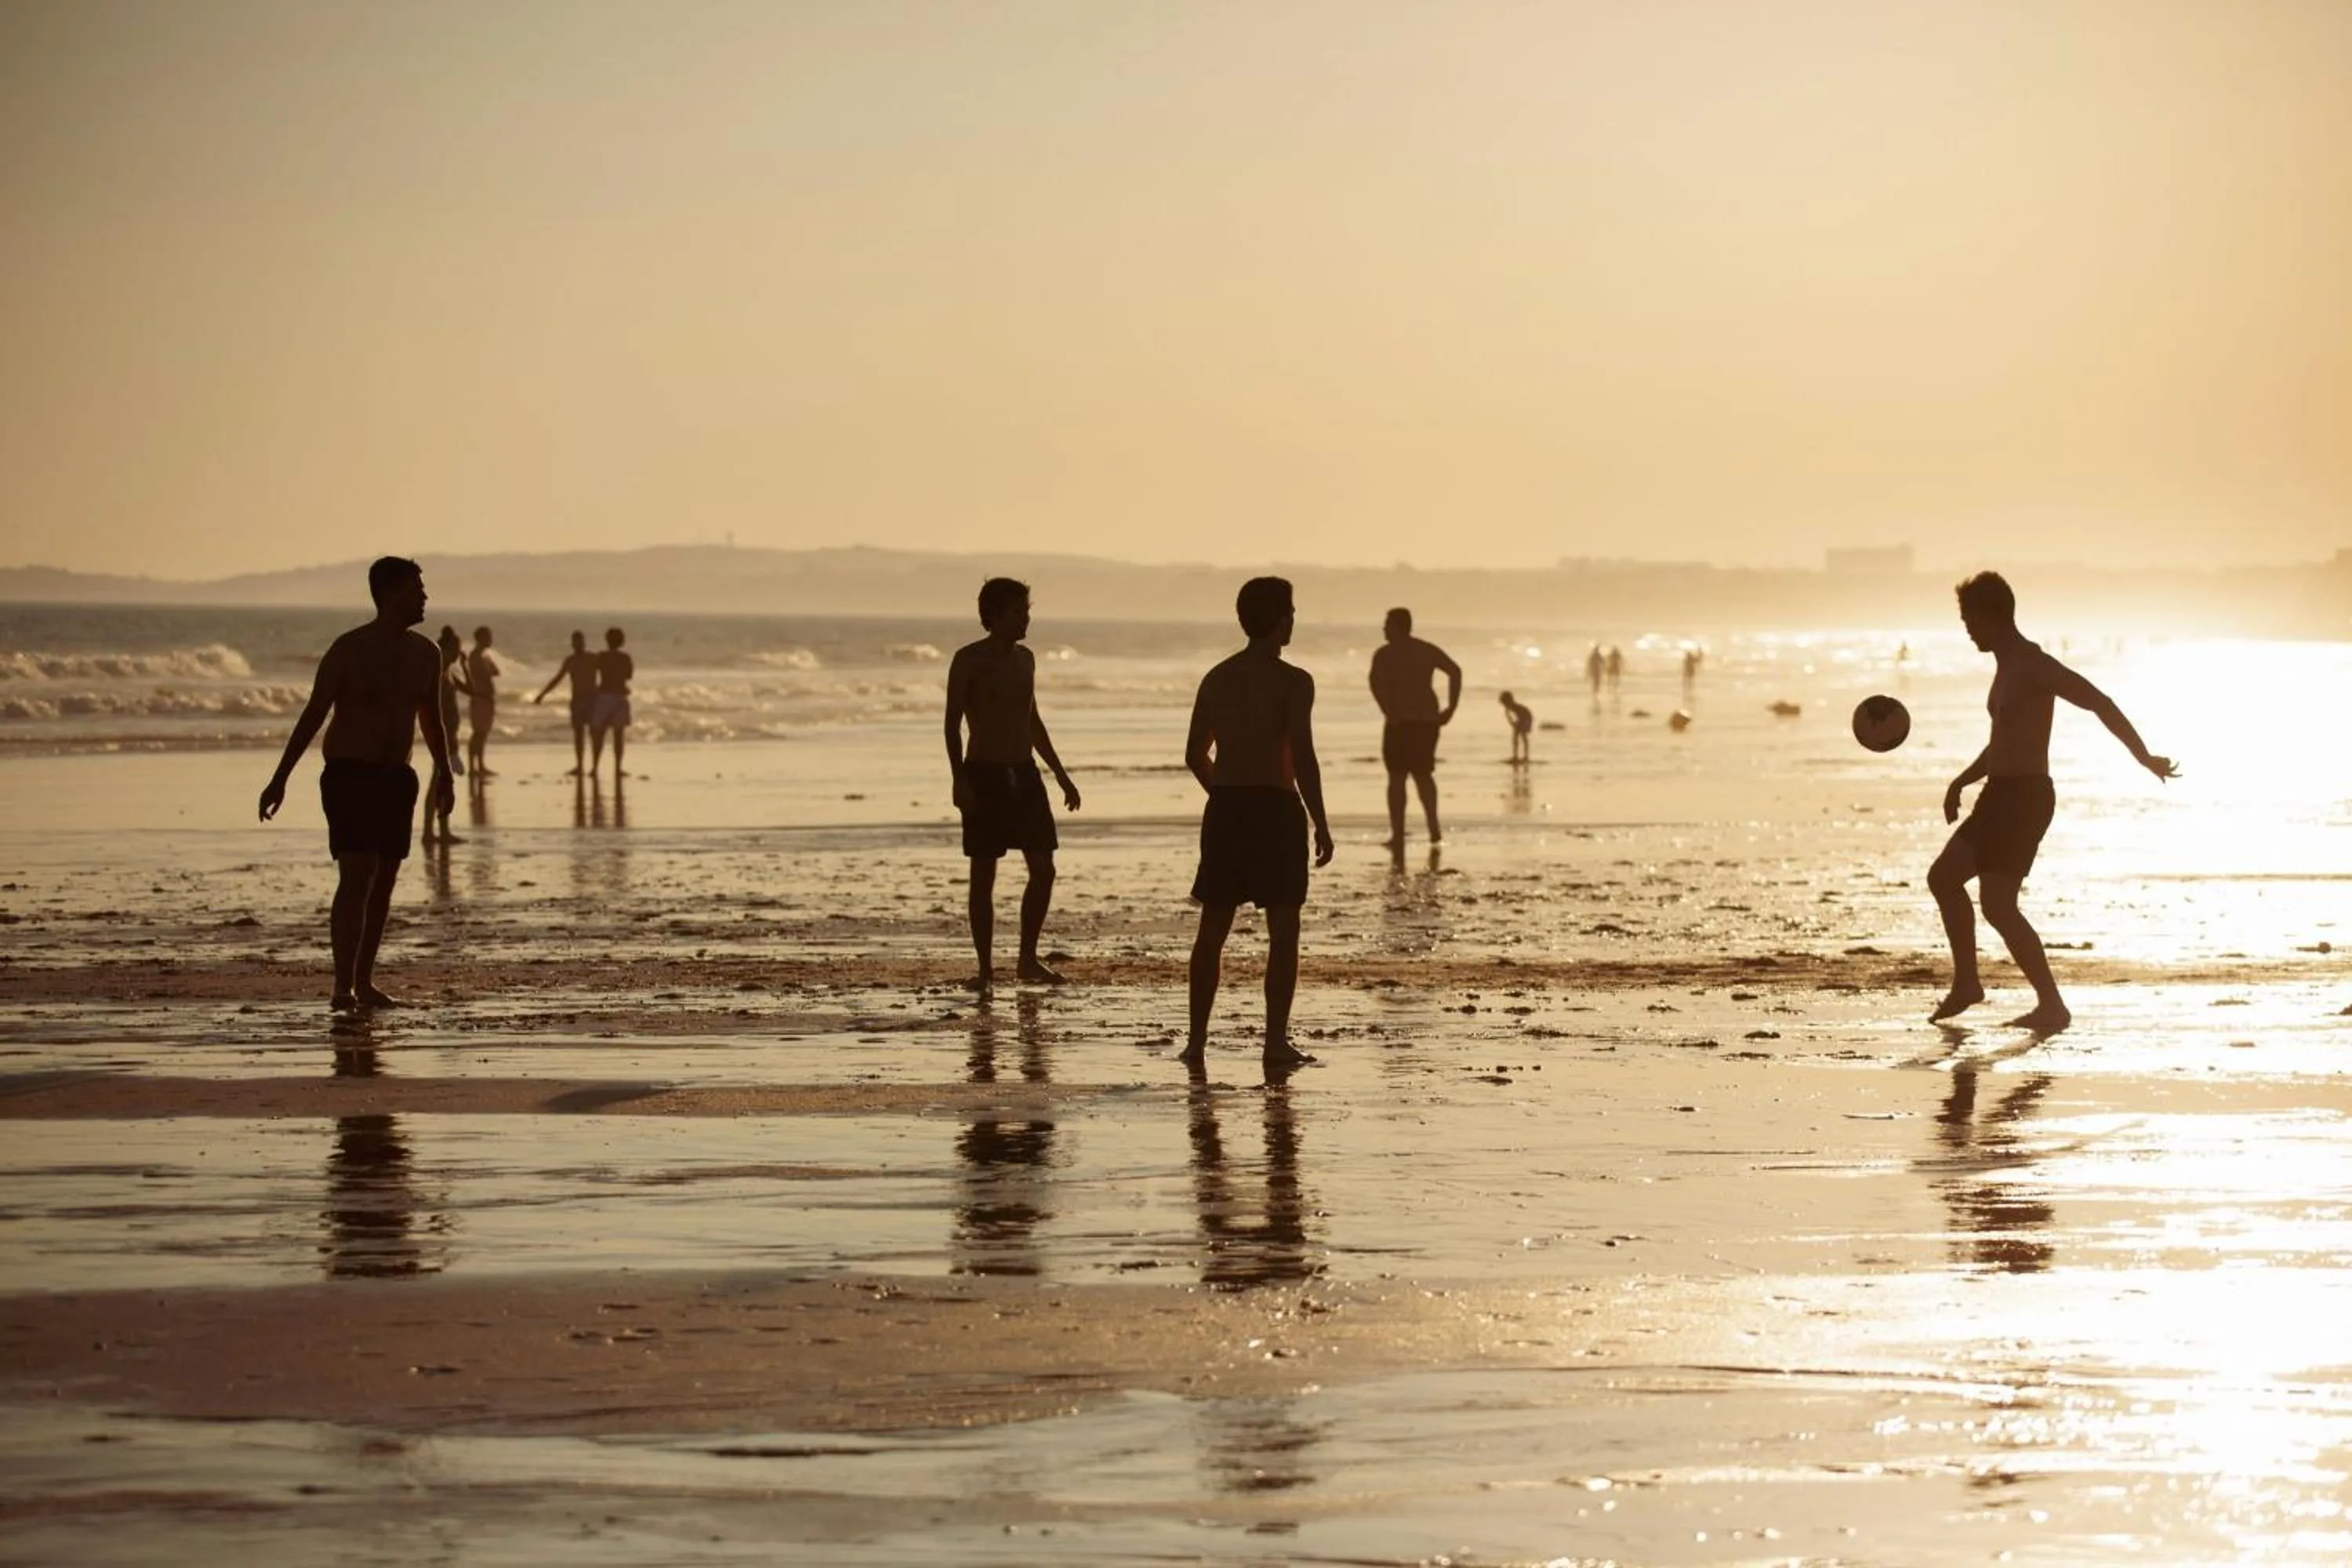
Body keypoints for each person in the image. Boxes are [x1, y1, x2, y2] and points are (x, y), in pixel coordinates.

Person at [1928, 572, 2177, 1032]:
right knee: (1944, 878)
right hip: (1999, 794)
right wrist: (1960, 782)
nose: (1966, 628)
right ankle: (1969, 983)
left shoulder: (2031, 664)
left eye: (1969, 618)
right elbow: (2002, 744)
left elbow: (2098, 701)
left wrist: (2142, 756)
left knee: (1998, 906)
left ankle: (2050, 1006)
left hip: (2024, 798)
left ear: (1991, 616)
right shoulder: (2005, 668)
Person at [257, 557, 456, 1011]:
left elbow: (432, 720)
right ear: (388, 595)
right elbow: (314, 714)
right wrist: (279, 778)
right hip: (350, 774)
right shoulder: (349, 649)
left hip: (397, 777)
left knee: (384, 879)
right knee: (357, 873)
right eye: (416, 589)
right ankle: (342, 986)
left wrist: (444, 773)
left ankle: (364, 982)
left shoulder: (428, 653)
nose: (425, 597)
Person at [1182, 576, 1334, 1073]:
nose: (1294, 620)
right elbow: (1304, 758)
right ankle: (1274, 1041)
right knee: (1284, 930)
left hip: (1226, 808)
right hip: (1275, 808)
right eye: (1290, 611)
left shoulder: (1217, 677)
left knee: (1214, 928)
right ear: (1278, 618)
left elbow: (1194, 754)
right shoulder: (1294, 681)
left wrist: (1225, 793)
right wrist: (1320, 821)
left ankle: (1197, 1042)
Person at [944, 579, 1081, 991]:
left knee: (1044, 869)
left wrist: (1060, 773)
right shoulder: (967, 660)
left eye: (1027, 610)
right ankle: (986, 971)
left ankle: (1026, 960)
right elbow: (951, 724)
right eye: (1019, 612)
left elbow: (1032, 720)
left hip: (1024, 774)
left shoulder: (1027, 660)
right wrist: (959, 779)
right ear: (995, 616)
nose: (1027, 619)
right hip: (983, 774)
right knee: (983, 874)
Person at [1367, 607, 1461, 848]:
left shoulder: (1386, 654)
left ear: (1397, 626)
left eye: (1387, 624)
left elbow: (1375, 684)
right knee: (1423, 775)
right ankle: (1433, 829)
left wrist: (1387, 710)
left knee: (1398, 777)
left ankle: (1399, 834)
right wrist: (1450, 708)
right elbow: (1454, 671)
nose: (1384, 629)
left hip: (1402, 722)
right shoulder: (1425, 650)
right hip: (1426, 721)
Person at [423, 626, 466, 848]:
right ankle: (433, 831)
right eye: (455, 650)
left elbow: (472, 690)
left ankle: (438, 830)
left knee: (441, 783)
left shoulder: (450, 673)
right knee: (439, 783)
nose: (458, 654)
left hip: (449, 735)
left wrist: (465, 665)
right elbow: (432, 708)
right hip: (443, 735)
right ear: (444, 649)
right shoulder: (439, 674)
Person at [534, 630, 599, 776]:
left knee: (594, 734)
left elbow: (608, 672)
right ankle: (580, 765)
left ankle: (595, 766)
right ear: (572, 644)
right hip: (577, 700)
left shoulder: (593, 658)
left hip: (592, 701)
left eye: (580, 641)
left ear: (584, 642)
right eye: (575, 642)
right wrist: (542, 694)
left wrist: (608, 691)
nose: (577, 644)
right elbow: (557, 679)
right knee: (579, 735)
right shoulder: (571, 660)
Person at [590, 627, 633, 778]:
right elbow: (628, 676)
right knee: (618, 735)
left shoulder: (601, 657)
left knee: (599, 734)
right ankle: (618, 768)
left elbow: (592, 672)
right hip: (620, 696)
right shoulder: (625, 658)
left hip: (603, 696)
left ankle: (595, 767)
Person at [463, 626, 499, 779]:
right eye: (488, 636)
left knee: (483, 733)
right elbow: (484, 674)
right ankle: (473, 767)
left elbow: (496, 671)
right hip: (480, 698)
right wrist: (489, 669)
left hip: (487, 699)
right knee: (478, 733)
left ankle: (481, 765)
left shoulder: (484, 656)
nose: (491, 640)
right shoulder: (475, 656)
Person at [1498, 690, 1534, 764]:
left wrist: (1518, 725)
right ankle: (1516, 756)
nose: (1505, 705)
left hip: (1527, 718)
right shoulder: (1508, 709)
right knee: (1515, 737)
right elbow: (1510, 719)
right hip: (1521, 719)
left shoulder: (1516, 707)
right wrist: (1514, 724)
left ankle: (1525, 756)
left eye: (1505, 703)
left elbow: (1524, 715)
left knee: (1523, 736)